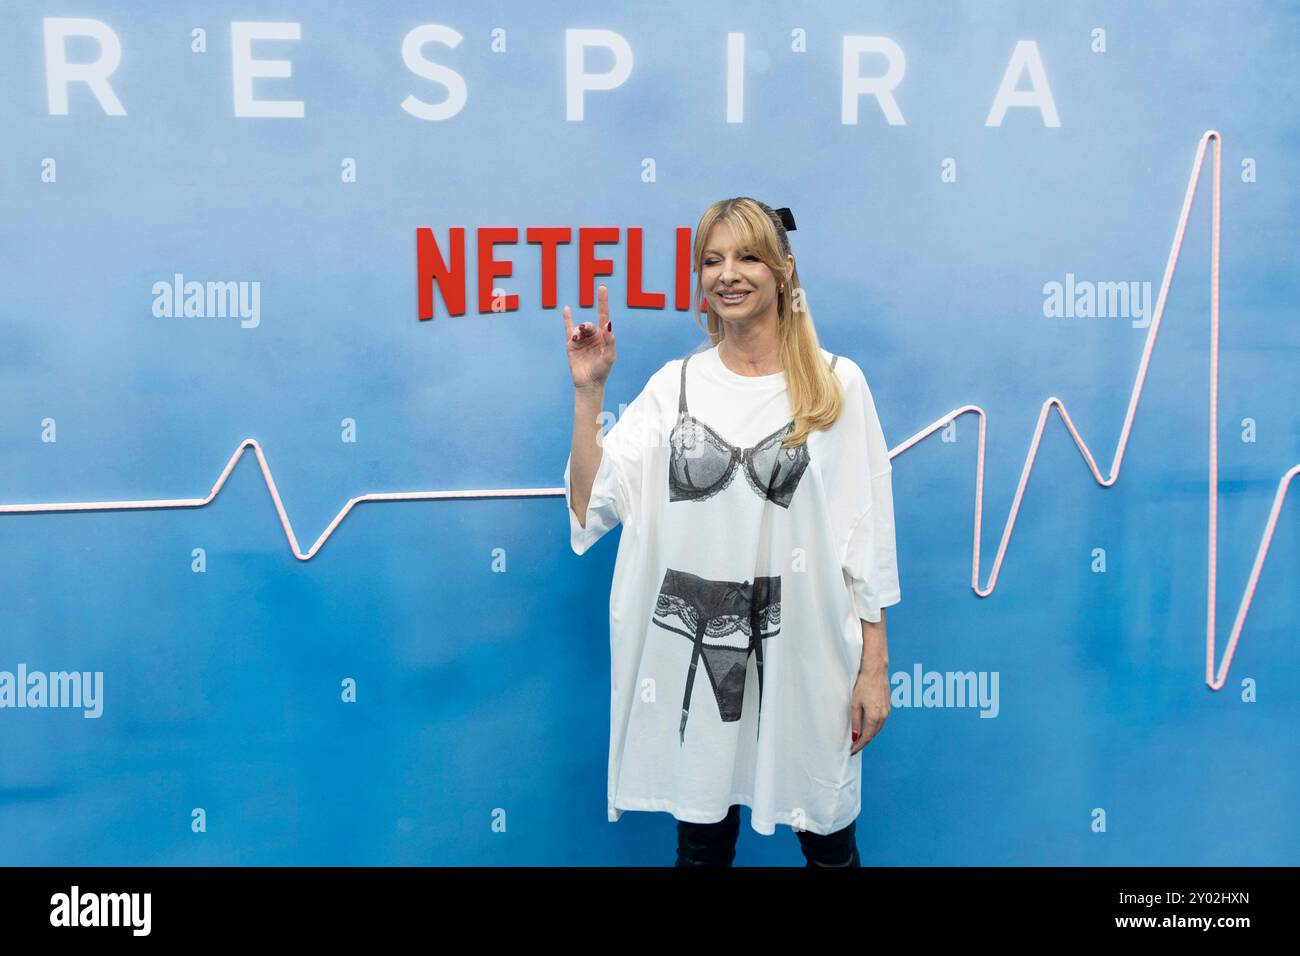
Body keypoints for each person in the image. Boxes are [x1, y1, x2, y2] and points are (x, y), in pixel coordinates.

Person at [563, 198, 900, 867]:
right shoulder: (674, 385)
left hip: (805, 652)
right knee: (702, 847)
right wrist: (589, 396)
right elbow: (590, 505)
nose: (729, 274)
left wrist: (875, 666)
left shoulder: (836, 386)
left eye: (747, 256)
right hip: (691, 642)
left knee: (830, 844)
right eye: (712, 260)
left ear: (783, 269)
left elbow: (867, 535)